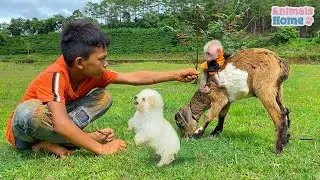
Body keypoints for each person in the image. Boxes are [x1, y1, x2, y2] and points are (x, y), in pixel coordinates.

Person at [5, 20, 199, 157]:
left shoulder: (93, 74)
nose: (106, 64)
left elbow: (133, 77)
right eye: (101, 59)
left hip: (57, 125)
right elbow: (61, 124)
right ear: (80, 62)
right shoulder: (56, 75)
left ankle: (47, 144)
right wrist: (100, 148)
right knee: (28, 111)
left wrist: (175, 74)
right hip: (24, 132)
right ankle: (55, 142)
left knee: (103, 97)